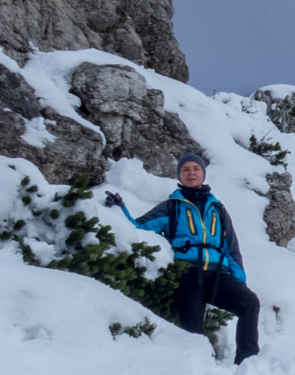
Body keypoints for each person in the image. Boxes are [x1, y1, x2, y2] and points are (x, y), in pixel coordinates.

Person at [103, 152, 261, 363]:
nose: (191, 173)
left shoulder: (218, 209)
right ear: (180, 175)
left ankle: (248, 362)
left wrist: (239, 279)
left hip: (218, 275)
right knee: (192, 329)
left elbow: (230, 246)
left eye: (196, 169)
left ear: (203, 174)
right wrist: (120, 209)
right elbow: (138, 227)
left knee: (250, 303)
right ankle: (198, 370)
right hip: (188, 274)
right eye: (186, 169)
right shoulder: (172, 206)